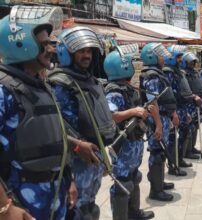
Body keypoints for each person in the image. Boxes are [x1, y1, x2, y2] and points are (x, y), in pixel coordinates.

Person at [0, 6, 98, 220]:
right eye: (44, 44)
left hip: (55, 197)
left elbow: (52, 136)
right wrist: (5, 208)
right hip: (22, 203)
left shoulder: (40, 86)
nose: (52, 49)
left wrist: (67, 179)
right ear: (21, 43)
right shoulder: (4, 91)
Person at [49, 26, 117, 219]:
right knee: (76, 211)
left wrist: (102, 156)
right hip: (73, 163)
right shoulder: (61, 84)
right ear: (66, 53)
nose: (86, 55)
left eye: (89, 51)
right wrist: (78, 148)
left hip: (93, 158)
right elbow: (58, 128)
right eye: (81, 51)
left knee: (90, 207)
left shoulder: (90, 81)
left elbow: (95, 121)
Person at [104, 45, 155, 219]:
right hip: (123, 146)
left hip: (134, 143)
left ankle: (134, 213)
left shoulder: (126, 88)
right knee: (122, 184)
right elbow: (112, 116)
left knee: (134, 178)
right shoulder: (114, 91)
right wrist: (134, 112)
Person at [139, 43, 176, 202]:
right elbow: (152, 102)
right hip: (156, 120)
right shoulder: (152, 76)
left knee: (161, 152)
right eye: (160, 55)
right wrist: (159, 124)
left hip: (162, 118)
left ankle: (159, 182)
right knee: (157, 153)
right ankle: (156, 190)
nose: (163, 58)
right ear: (151, 57)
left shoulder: (157, 73)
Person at [163, 45, 195, 176]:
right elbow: (169, 94)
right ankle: (172, 165)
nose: (181, 59)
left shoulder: (177, 71)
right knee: (172, 139)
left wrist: (185, 110)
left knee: (184, 133)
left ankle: (179, 159)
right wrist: (173, 113)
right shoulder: (168, 72)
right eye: (178, 57)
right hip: (173, 110)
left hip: (181, 107)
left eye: (181, 57)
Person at [181, 52, 202, 160]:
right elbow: (185, 90)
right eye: (191, 62)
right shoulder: (183, 73)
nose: (193, 64)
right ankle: (187, 151)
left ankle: (192, 147)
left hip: (196, 103)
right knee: (189, 127)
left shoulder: (195, 72)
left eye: (194, 62)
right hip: (188, 102)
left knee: (195, 126)